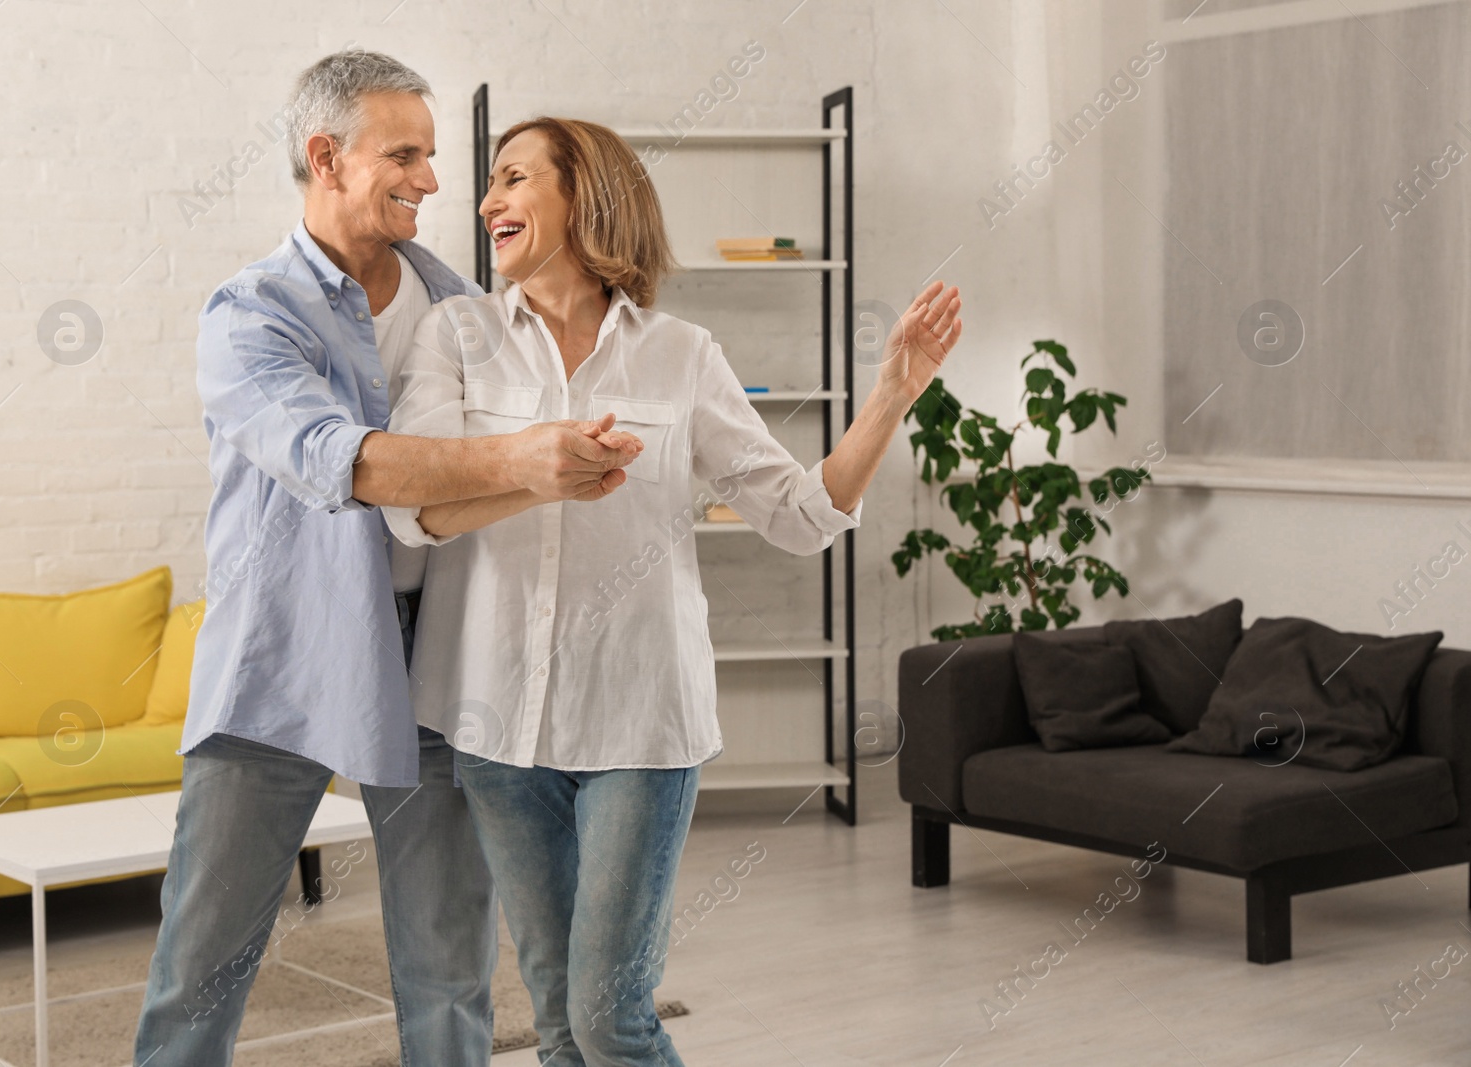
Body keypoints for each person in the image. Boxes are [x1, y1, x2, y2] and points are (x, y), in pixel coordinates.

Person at [385, 116, 963, 1066]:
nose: (485, 200)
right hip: (495, 722)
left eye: (514, 178)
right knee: (561, 1020)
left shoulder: (680, 353)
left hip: (640, 722)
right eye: (489, 183)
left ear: (585, 196)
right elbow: (416, 510)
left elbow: (798, 514)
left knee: (611, 1017)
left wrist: (891, 394)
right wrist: (537, 471)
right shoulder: (458, 334)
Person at [132, 59, 642, 1067]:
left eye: (433, 155)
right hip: (280, 654)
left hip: (438, 660)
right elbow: (341, 461)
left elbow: (492, 490)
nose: (433, 179)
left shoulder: (460, 307)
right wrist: (522, 456)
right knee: (202, 964)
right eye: (403, 154)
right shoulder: (251, 313)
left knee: (450, 965)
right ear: (326, 157)